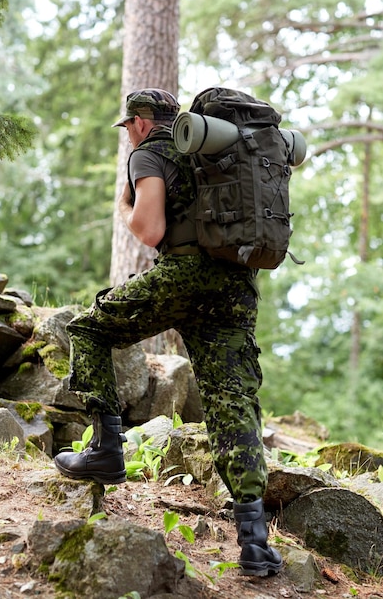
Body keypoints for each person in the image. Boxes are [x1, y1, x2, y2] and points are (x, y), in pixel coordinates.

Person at [54, 88, 283, 577]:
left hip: (183, 276)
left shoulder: (149, 152)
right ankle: (255, 543)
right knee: (231, 398)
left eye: (128, 126)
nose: (128, 134)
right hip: (236, 283)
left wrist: (125, 208)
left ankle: (106, 451)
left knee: (89, 329)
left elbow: (151, 228)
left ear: (139, 122)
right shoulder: (208, 151)